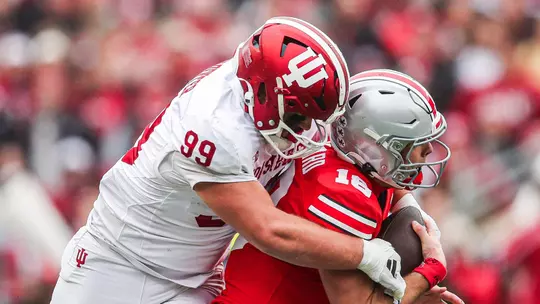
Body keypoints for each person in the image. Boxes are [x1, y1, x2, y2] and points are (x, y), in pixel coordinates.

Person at [50, 18, 406, 304]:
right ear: (266, 94)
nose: (309, 131)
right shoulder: (213, 127)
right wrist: (363, 252)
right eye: (300, 117)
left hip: (198, 276)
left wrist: (415, 215)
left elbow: (360, 156)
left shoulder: (263, 89)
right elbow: (269, 230)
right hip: (119, 270)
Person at [212, 70, 463, 304]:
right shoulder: (345, 197)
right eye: (418, 143)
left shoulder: (347, 161)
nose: (429, 151)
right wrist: (430, 270)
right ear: (380, 148)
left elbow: (392, 191)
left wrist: (412, 211)